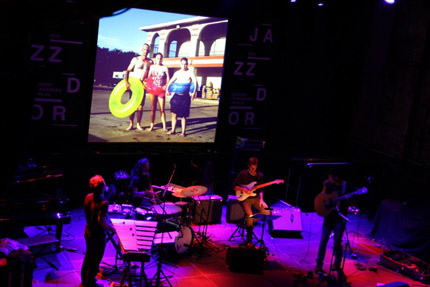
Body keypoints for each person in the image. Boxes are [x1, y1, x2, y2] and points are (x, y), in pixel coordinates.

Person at [315, 168, 354, 274]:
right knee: (323, 240)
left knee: (337, 242)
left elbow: (352, 202)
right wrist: (324, 187)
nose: (328, 179)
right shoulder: (328, 185)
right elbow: (321, 198)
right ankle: (319, 264)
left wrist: (348, 200)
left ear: (336, 177)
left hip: (339, 218)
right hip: (328, 217)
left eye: (330, 177)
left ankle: (337, 263)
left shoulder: (346, 186)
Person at [81, 175, 115, 287]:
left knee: (88, 256)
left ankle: (85, 281)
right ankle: (90, 282)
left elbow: (87, 213)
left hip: (88, 231)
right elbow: (101, 221)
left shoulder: (88, 197)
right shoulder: (104, 203)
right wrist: (112, 228)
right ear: (103, 187)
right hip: (97, 235)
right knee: (95, 259)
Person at [232, 157, 270, 247]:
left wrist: (261, 199)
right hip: (245, 199)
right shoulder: (243, 174)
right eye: (251, 167)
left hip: (255, 198)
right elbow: (234, 186)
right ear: (248, 165)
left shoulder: (260, 175)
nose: (253, 169)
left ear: (257, 166)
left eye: (254, 167)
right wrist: (244, 189)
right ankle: (249, 240)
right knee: (249, 216)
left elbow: (260, 189)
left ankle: (252, 220)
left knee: (267, 212)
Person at [165, 57, 197, 137]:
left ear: (187, 64)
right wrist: (167, 90)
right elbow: (171, 81)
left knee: (183, 116)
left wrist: (194, 92)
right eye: (182, 64)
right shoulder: (177, 73)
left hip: (185, 97)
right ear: (180, 64)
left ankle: (183, 132)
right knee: (174, 114)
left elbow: (195, 82)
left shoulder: (190, 73)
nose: (184, 66)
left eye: (185, 64)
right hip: (176, 96)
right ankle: (173, 130)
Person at [124, 43, 153, 131]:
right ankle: (131, 124)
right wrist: (126, 82)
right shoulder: (135, 59)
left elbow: (151, 74)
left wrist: (147, 81)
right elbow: (128, 70)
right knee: (132, 105)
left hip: (142, 85)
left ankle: (138, 125)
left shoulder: (150, 62)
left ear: (149, 51)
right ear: (141, 50)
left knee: (140, 106)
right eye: (144, 49)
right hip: (134, 84)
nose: (146, 51)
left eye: (147, 50)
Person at [145, 52, 169, 131]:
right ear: (155, 59)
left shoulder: (165, 67)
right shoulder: (152, 67)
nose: (159, 60)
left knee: (162, 109)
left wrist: (166, 85)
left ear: (162, 59)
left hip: (161, 91)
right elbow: (149, 77)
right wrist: (145, 82)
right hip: (152, 90)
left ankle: (164, 126)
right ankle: (151, 125)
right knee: (153, 108)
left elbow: (168, 78)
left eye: (160, 58)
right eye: (157, 58)